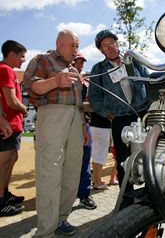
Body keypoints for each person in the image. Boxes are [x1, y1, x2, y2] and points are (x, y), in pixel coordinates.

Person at [24, 30, 89, 237]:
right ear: (59, 43)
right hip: (52, 115)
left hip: (75, 119)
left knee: (72, 171)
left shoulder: (74, 69)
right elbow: (30, 85)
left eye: (77, 46)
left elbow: (77, 103)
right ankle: (46, 231)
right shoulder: (42, 59)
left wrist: (82, 125)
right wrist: (54, 81)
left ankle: (61, 218)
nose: (75, 50)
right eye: (72, 45)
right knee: (49, 171)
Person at [88, 30, 150, 202]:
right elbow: (93, 97)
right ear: (101, 51)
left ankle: (150, 195)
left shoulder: (133, 61)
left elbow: (149, 81)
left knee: (149, 156)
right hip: (120, 119)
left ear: (117, 44)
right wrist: (107, 113)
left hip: (142, 114)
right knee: (123, 161)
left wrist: (149, 105)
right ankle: (127, 200)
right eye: (105, 46)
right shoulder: (99, 69)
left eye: (112, 43)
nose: (110, 47)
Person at [0, 40, 27, 217]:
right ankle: (1, 202)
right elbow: (11, 100)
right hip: (8, 125)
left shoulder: (6, 70)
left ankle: (5, 193)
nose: (23, 61)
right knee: (3, 163)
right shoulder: (5, 70)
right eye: (21, 57)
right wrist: (24, 108)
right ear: (12, 55)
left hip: (12, 123)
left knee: (12, 159)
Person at [73, 53, 97, 210]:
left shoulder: (83, 81)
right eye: (78, 62)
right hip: (70, 123)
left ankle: (84, 194)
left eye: (82, 63)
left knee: (85, 160)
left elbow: (82, 104)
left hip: (84, 122)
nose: (80, 66)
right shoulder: (65, 77)